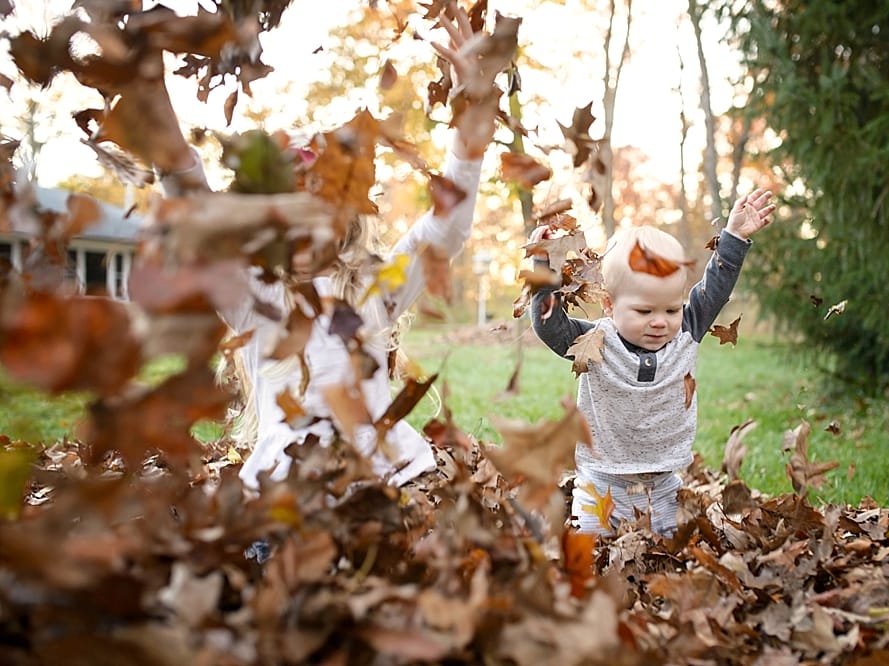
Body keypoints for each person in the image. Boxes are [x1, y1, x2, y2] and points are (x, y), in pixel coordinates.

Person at [146, 5, 505, 494]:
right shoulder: (254, 298)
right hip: (286, 497)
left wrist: (473, 116)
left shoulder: (373, 289)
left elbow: (444, 231)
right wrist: (149, 93)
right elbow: (194, 207)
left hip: (376, 494)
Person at [529, 190, 775, 536]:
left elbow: (716, 289)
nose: (660, 322)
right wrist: (545, 267)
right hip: (601, 483)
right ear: (610, 306)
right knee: (592, 560)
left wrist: (733, 238)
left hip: (662, 487)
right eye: (644, 311)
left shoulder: (686, 331)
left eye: (672, 309)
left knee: (662, 558)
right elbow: (548, 323)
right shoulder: (595, 341)